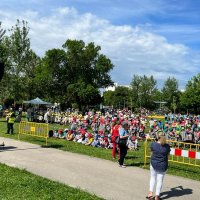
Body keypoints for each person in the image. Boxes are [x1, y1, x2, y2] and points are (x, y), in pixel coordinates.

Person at [146, 131, 171, 200]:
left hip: (153, 163)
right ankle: (157, 196)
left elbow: (152, 151)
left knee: (152, 178)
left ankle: (150, 193)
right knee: (159, 180)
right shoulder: (167, 146)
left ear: (157, 137)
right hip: (162, 165)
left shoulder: (153, 144)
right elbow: (168, 155)